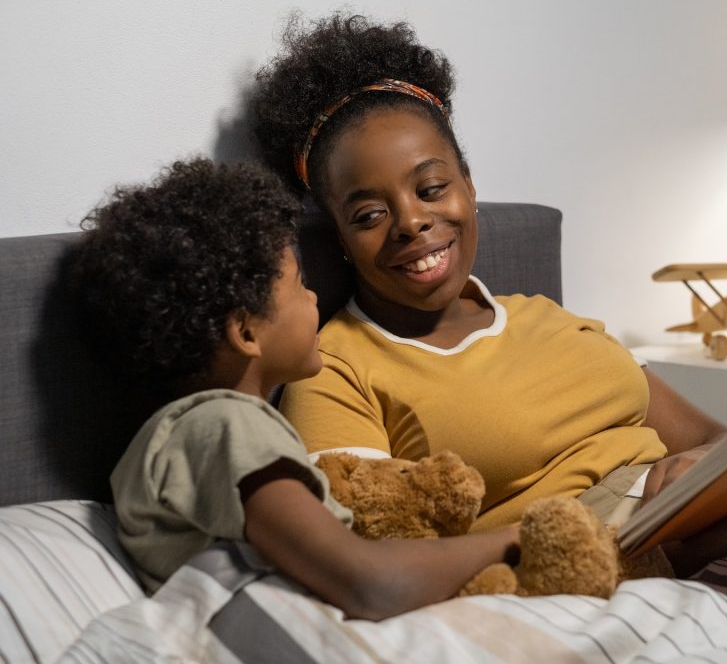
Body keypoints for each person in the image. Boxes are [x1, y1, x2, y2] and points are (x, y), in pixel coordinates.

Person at [249, 12, 727, 576]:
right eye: (369, 214)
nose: (411, 221)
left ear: (469, 186)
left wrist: (710, 477)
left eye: (432, 188)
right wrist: (656, 552)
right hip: (588, 574)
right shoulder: (335, 369)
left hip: (719, 540)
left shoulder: (545, 315)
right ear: (340, 238)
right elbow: (372, 550)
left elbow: (714, 437)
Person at [71, 157, 520, 620]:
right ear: (246, 332)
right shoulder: (228, 426)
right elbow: (372, 583)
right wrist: (514, 538)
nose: (314, 297)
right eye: (300, 283)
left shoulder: (176, 441)